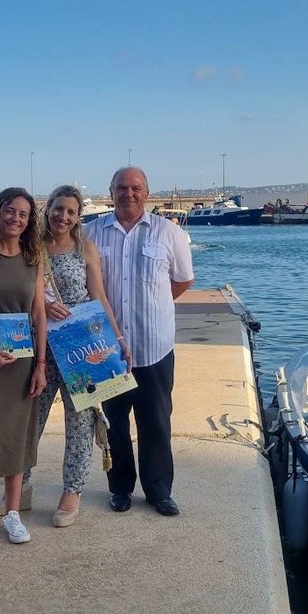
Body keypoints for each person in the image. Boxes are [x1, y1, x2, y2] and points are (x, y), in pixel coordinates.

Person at [85, 167, 193, 517]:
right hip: (108, 351)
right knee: (116, 425)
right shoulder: (91, 233)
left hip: (154, 347)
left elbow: (182, 281)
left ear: (147, 192)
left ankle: (159, 491)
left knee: (156, 423)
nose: (128, 193)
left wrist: (153, 307)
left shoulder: (167, 232)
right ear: (110, 191)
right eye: (121, 187)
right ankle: (119, 488)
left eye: (135, 188)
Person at [33, 184, 129, 527]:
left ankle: (72, 490)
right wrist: (42, 303)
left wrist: (116, 337)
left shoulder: (85, 249)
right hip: (42, 343)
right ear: (49, 209)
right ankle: (22, 481)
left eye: (71, 211)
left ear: (78, 216)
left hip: (79, 347)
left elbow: (98, 296)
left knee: (81, 420)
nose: (63, 216)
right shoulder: (34, 247)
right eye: (58, 209)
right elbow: (22, 293)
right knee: (31, 417)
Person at [0, 188, 48, 545]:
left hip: (23, 358)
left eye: (24, 214)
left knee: (18, 436)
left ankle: (13, 513)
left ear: (30, 220)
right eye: (10, 211)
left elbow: (39, 314)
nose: (17, 218)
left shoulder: (34, 256)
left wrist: (41, 364)